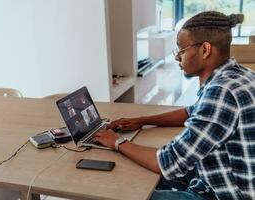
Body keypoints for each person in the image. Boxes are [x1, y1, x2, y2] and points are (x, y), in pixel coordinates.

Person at [93, 11, 254, 200]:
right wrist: (141, 120)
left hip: (224, 194)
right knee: (134, 170)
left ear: (205, 49)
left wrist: (116, 142)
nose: (177, 57)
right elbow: (190, 112)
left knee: (127, 192)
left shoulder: (222, 92)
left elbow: (167, 161)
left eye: (182, 49)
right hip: (219, 174)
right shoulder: (239, 75)